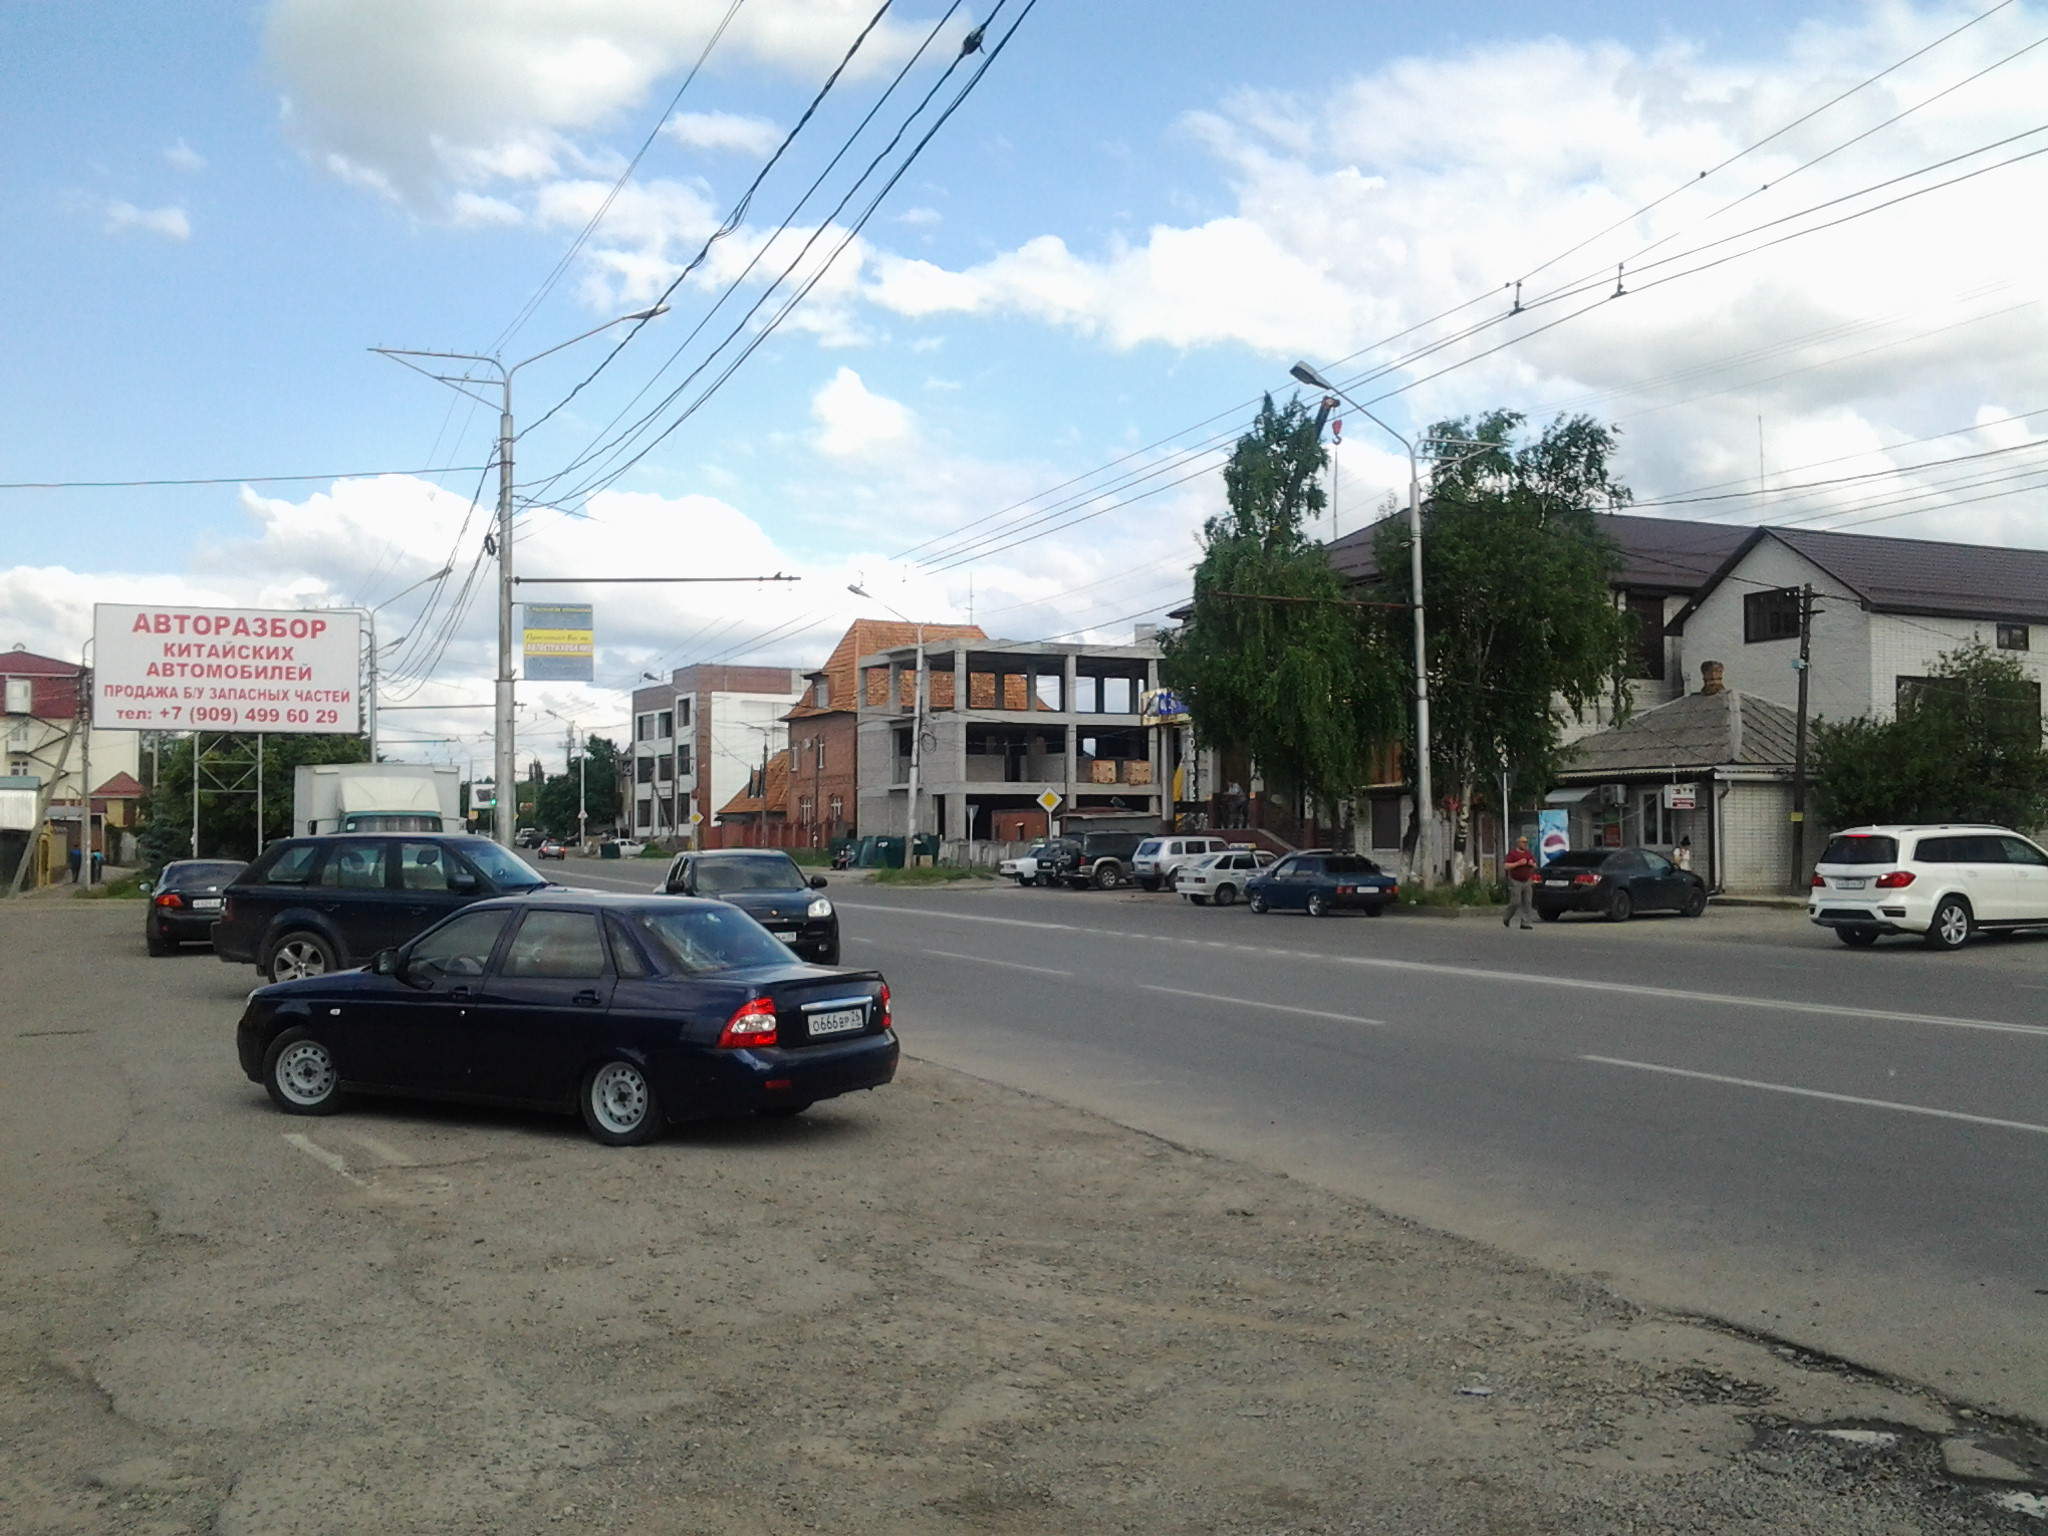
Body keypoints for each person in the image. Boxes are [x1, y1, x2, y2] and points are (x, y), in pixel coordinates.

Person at [1503, 835, 1538, 930]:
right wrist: (1518, 863)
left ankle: (1525, 922)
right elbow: (1506, 866)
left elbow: (1535, 865)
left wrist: (1532, 864)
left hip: (1527, 881)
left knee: (1527, 902)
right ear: (1518, 843)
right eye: (1523, 842)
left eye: (1526, 842)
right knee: (1515, 902)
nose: (1525, 844)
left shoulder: (1528, 854)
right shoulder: (1512, 854)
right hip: (1515, 881)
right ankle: (1507, 917)